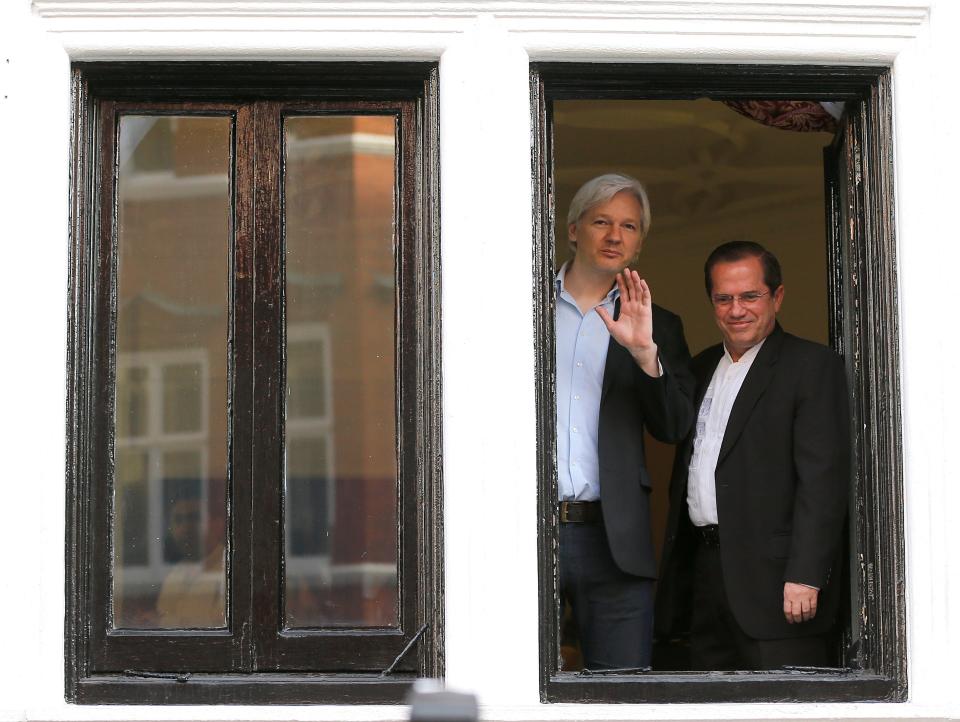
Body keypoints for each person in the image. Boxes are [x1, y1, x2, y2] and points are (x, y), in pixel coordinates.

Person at [655, 240, 850, 670]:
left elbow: (823, 481)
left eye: (750, 296)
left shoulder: (812, 367)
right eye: (723, 298)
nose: (736, 309)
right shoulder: (702, 366)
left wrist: (806, 574)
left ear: (777, 297)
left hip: (780, 586)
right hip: (704, 577)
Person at [556, 173, 694, 670]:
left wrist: (644, 355)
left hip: (613, 538)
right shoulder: (522, 309)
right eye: (602, 222)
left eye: (629, 226)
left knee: (622, 692)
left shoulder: (661, 325)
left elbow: (675, 427)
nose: (615, 236)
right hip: (522, 530)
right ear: (574, 230)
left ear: (639, 241)